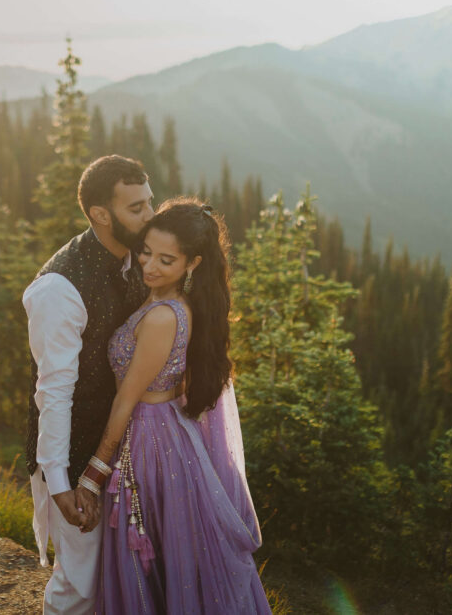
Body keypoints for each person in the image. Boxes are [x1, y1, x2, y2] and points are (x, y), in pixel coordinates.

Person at [78, 197, 271, 614]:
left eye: (166, 260)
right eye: (146, 251)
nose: (149, 265)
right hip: (165, 436)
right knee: (166, 558)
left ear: (192, 263)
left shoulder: (165, 316)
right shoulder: (162, 303)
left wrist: (94, 474)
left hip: (150, 444)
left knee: (156, 555)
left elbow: (127, 398)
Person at [23, 155, 155, 614]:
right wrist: (60, 482)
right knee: (80, 583)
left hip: (131, 446)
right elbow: (54, 392)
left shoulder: (139, 256)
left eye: (149, 202)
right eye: (136, 208)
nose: (149, 216)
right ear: (101, 214)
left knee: (126, 574)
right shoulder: (58, 288)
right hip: (78, 453)